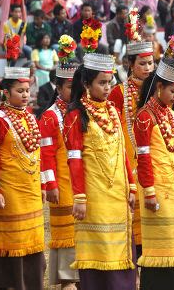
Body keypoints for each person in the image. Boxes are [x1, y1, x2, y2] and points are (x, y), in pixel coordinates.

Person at [63, 53, 136, 290]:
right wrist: (80, 198)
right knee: (99, 247)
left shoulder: (113, 111)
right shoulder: (75, 115)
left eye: (110, 82)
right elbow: (74, 160)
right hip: (93, 196)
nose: (107, 88)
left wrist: (132, 185)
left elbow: (122, 150)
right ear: (86, 84)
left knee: (121, 248)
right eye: (102, 83)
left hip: (118, 192)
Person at [0, 67, 45, 290]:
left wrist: (42, 183)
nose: (25, 95)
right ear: (6, 93)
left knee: (34, 239)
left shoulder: (29, 117)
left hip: (30, 189)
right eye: (19, 91)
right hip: (9, 192)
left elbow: (37, 155)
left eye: (27, 90)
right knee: (13, 241)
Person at [134, 57, 174, 290]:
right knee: (162, 244)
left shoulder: (170, 113)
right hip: (156, 191)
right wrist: (149, 191)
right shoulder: (144, 117)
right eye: (173, 91)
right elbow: (144, 157)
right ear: (160, 87)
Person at [108, 9, 154, 258]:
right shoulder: (118, 92)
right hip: (127, 159)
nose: (148, 68)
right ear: (129, 65)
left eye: (151, 63)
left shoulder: (158, 91)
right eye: (143, 63)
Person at [38, 63, 79, 290]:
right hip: (62, 183)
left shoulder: (79, 111)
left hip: (81, 181)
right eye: (70, 87)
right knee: (65, 231)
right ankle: (67, 278)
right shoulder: (49, 116)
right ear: (58, 87)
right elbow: (46, 154)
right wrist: (50, 183)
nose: (74, 92)